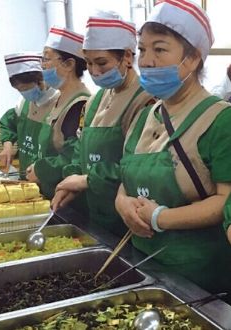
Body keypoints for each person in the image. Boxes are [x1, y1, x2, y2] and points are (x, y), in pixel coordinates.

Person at [115, 0, 231, 296]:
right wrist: (123, 205)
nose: (147, 60)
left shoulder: (219, 120)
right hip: (142, 265)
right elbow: (124, 181)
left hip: (198, 275)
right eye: (142, 50)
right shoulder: (144, 116)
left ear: (192, 59)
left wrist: (160, 217)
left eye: (160, 49)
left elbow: (225, 201)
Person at [52, 11, 154, 236]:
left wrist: (88, 180)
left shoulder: (145, 100)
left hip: (128, 219)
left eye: (101, 63)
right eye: (88, 63)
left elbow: (141, 169)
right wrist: (71, 182)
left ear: (127, 57)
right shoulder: (96, 100)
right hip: (95, 214)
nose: (94, 72)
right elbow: (82, 150)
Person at [26, 27, 91, 199]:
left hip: (68, 196)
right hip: (49, 190)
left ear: (69, 64)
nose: (42, 66)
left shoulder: (79, 104)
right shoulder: (58, 99)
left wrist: (42, 169)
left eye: (46, 59)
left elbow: (73, 156)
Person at [0, 52, 59, 178]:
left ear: (41, 80)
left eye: (26, 89)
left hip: (49, 179)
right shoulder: (23, 104)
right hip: (26, 177)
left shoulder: (59, 102)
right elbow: (8, 124)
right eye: (19, 90)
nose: (24, 93)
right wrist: (7, 145)